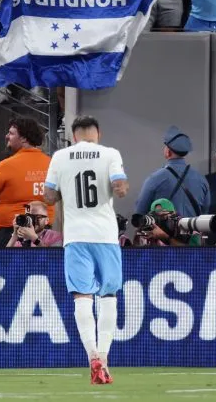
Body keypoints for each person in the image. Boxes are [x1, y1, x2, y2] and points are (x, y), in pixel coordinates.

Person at [44, 115, 127, 386]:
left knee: (82, 298)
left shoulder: (60, 157)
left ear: (73, 135)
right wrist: (118, 188)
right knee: (109, 296)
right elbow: (120, 187)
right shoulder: (110, 154)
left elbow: (48, 197)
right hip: (105, 236)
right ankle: (103, 357)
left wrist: (66, 191)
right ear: (98, 133)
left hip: (76, 237)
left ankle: (91, 355)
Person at [0, 117, 52, 248]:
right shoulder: (52, 164)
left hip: (7, 235)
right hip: (47, 236)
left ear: (23, 138)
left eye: (11, 133)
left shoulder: (4, 166)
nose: (6, 136)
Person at [135, 126, 208, 218]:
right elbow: (205, 213)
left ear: (168, 152)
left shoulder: (155, 178)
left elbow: (140, 212)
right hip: (193, 227)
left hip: (163, 228)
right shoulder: (202, 180)